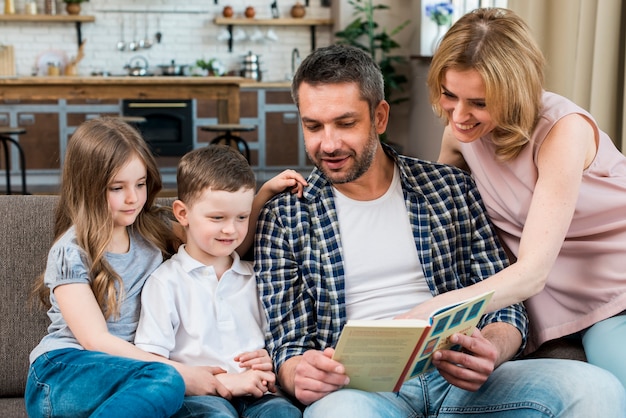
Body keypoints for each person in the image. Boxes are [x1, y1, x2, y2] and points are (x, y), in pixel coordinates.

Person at [253, 44, 626, 417]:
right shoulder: (285, 215)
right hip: (362, 391)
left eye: (346, 123)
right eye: (313, 126)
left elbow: (507, 307)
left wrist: (493, 349)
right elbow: (288, 343)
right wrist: (297, 374)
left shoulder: (449, 187)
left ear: (380, 117)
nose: (328, 144)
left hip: (464, 380)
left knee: (596, 389)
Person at [24, 118, 301, 417]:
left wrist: (263, 195)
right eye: (117, 187)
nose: (133, 198)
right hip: (63, 373)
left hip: (132, 379)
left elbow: (220, 242)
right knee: (166, 380)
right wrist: (187, 374)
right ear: (88, 187)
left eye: (140, 184)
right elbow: (95, 340)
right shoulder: (71, 250)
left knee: (163, 384)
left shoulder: (150, 229)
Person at [422, 7, 626, 387]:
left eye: (479, 103)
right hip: (546, 304)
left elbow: (532, 272)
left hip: (616, 289)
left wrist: (431, 311)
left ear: (514, 92)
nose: (460, 115)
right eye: (450, 95)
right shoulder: (460, 137)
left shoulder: (562, 130)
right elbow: (433, 213)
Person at [135, 145, 305, 418]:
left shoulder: (257, 276)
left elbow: (283, 340)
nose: (231, 229)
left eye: (242, 217)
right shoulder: (166, 282)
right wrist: (221, 382)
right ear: (182, 214)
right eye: (217, 218)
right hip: (200, 397)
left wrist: (272, 360)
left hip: (260, 394)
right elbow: (153, 364)